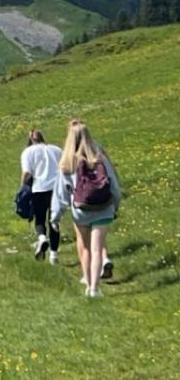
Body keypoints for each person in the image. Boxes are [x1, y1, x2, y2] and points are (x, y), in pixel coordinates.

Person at [51, 120, 121, 298]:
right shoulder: (100, 158)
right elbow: (114, 186)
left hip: (80, 210)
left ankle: (88, 282)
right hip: (103, 208)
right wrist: (115, 206)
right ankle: (95, 289)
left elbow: (61, 194)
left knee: (85, 248)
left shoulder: (67, 163)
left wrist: (55, 217)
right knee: (98, 248)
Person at [20, 129, 62, 264]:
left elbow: (27, 173)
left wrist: (22, 187)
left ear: (31, 140)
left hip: (39, 188)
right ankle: (54, 255)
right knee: (54, 221)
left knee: (40, 219)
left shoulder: (28, 152)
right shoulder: (56, 149)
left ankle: (42, 238)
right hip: (56, 188)